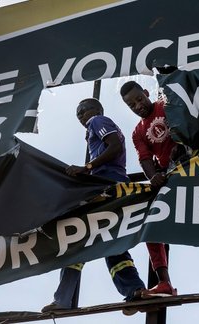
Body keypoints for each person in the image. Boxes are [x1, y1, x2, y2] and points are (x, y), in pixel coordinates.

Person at [120, 81, 199, 297]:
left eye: (139, 99)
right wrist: (153, 177)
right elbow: (145, 158)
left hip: (195, 167)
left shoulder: (164, 105)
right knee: (150, 225)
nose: (137, 105)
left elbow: (189, 123)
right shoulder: (138, 132)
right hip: (171, 177)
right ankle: (164, 283)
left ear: (146, 93)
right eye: (131, 105)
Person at [41, 98, 147, 313]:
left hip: (105, 187)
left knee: (78, 240)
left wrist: (87, 167)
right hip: (111, 187)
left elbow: (115, 147)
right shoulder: (96, 126)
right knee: (111, 243)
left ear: (97, 109)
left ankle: (64, 299)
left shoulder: (98, 121)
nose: (81, 115)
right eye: (77, 113)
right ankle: (135, 291)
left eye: (83, 110)